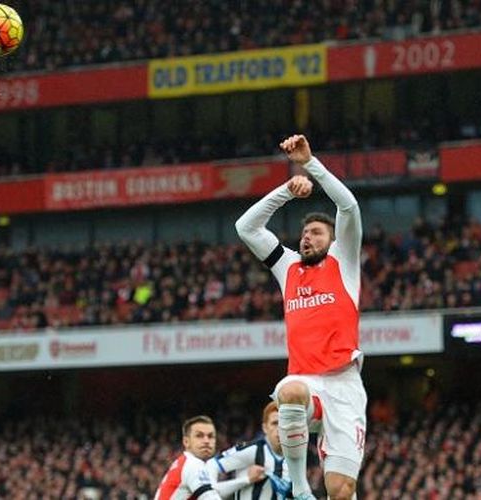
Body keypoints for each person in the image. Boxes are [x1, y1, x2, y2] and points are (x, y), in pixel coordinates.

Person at [235, 134, 367, 500]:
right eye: (305, 233)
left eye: (316, 233)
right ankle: (298, 486)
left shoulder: (344, 261)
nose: (307, 238)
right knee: (290, 390)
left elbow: (350, 206)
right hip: (305, 380)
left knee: (341, 490)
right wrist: (286, 192)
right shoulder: (288, 266)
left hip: (344, 385)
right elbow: (246, 228)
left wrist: (310, 164)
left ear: (333, 238)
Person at [155, 415, 266, 500]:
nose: (206, 441)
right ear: (186, 442)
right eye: (199, 436)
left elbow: (214, 490)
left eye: (211, 436)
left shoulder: (187, 463)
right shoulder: (193, 465)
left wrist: (247, 480)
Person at [216, 401, 292, 499]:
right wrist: (246, 479)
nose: (279, 429)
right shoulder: (251, 450)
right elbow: (212, 467)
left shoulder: (294, 459)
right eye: (274, 423)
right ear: (265, 428)